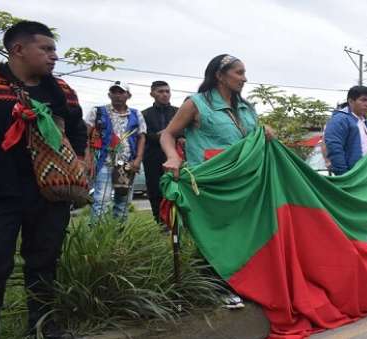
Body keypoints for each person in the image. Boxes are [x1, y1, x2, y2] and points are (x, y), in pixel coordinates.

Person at [0, 21, 86, 339]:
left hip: (49, 194)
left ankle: (44, 325)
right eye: (46, 49)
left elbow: (77, 130)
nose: (53, 56)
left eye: (53, 49)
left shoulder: (61, 90)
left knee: (44, 260)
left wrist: (79, 165)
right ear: (18, 50)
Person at [161, 54, 274, 309]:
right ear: (219, 75)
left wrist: (264, 133)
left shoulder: (247, 108)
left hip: (244, 181)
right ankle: (215, 287)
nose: (245, 78)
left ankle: (242, 282)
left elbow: (251, 140)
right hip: (210, 182)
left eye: (245, 73)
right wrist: (172, 158)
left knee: (242, 233)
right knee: (214, 233)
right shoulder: (197, 104)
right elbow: (168, 134)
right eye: (239, 73)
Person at [85, 81, 146, 222]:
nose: (117, 95)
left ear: (128, 95)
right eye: (114, 92)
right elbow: (85, 135)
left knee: (123, 201)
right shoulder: (98, 111)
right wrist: (87, 156)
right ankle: (98, 236)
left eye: (121, 92)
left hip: (126, 164)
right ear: (109, 94)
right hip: (103, 162)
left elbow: (142, 137)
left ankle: (119, 235)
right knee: (101, 200)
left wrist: (138, 159)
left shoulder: (136, 114)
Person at [141, 81, 181, 223]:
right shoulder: (144, 114)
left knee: (178, 188)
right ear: (152, 93)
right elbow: (143, 136)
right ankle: (160, 222)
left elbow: (185, 132)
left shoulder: (178, 112)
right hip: (152, 157)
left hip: (176, 157)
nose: (165, 94)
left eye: (167, 91)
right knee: (155, 190)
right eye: (160, 91)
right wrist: (164, 135)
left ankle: (178, 222)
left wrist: (171, 135)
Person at [323, 86, 367, 175]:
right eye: (363, 100)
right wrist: (343, 175)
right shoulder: (340, 120)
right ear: (351, 101)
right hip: (353, 176)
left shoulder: (366, 123)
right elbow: (334, 147)